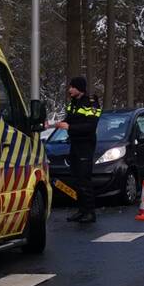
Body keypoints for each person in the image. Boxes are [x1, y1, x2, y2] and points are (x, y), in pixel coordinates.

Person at [50, 76, 100, 223]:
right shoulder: (73, 103)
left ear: (80, 88)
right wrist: (58, 124)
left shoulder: (91, 103)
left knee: (84, 179)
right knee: (77, 179)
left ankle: (90, 212)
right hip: (75, 145)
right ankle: (81, 210)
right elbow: (69, 119)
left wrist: (70, 127)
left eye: (72, 87)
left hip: (85, 145)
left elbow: (91, 126)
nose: (69, 89)